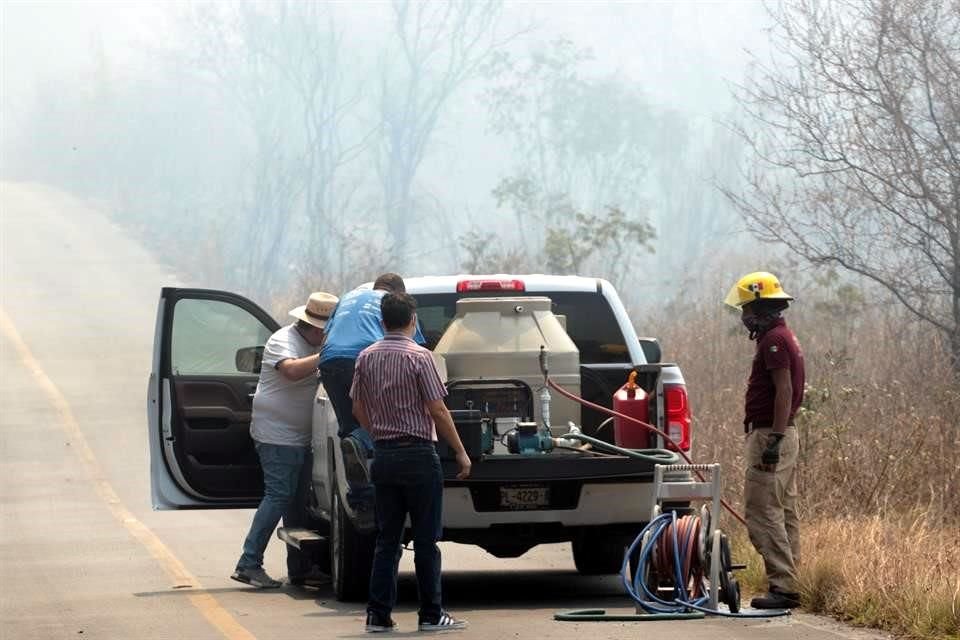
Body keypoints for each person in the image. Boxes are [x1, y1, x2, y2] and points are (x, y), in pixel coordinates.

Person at [351, 292, 471, 633]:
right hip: (419, 455)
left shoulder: (365, 357)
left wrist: (379, 434)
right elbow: (437, 409)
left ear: (381, 321)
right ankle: (431, 614)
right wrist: (461, 451)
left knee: (387, 540)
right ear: (413, 320)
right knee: (425, 540)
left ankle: (378, 616)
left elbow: (358, 407)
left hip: (385, 456)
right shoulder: (421, 358)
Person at [231, 291, 339, 589]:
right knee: (278, 497)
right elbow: (291, 370)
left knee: (297, 505)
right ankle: (249, 562)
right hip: (277, 436)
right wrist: (328, 353)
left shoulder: (313, 343)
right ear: (317, 329)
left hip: (301, 438)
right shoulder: (284, 340)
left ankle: (301, 569)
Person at [724, 271, 805, 609]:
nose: (744, 317)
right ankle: (792, 580)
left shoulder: (774, 340)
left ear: (761, 308)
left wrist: (773, 437)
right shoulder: (783, 336)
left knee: (761, 510)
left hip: (771, 435)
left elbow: (784, 390)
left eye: (747, 309)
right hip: (785, 434)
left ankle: (784, 588)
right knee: (784, 509)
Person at [319, 273, 425, 500]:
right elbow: (414, 347)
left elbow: (326, 337)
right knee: (383, 423)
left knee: (350, 428)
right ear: (399, 293)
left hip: (329, 361)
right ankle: (381, 485)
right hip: (365, 359)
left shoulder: (347, 297)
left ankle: (362, 499)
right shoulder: (394, 304)